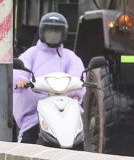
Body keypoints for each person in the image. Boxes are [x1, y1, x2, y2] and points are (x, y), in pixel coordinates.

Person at [12, 12, 85, 144]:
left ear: (63, 33)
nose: (53, 34)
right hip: (33, 115)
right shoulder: (32, 53)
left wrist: (76, 95)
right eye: (49, 31)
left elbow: (78, 74)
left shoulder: (70, 57)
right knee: (27, 143)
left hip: (63, 112)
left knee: (78, 141)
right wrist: (21, 80)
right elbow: (20, 68)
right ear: (42, 32)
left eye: (56, 31)